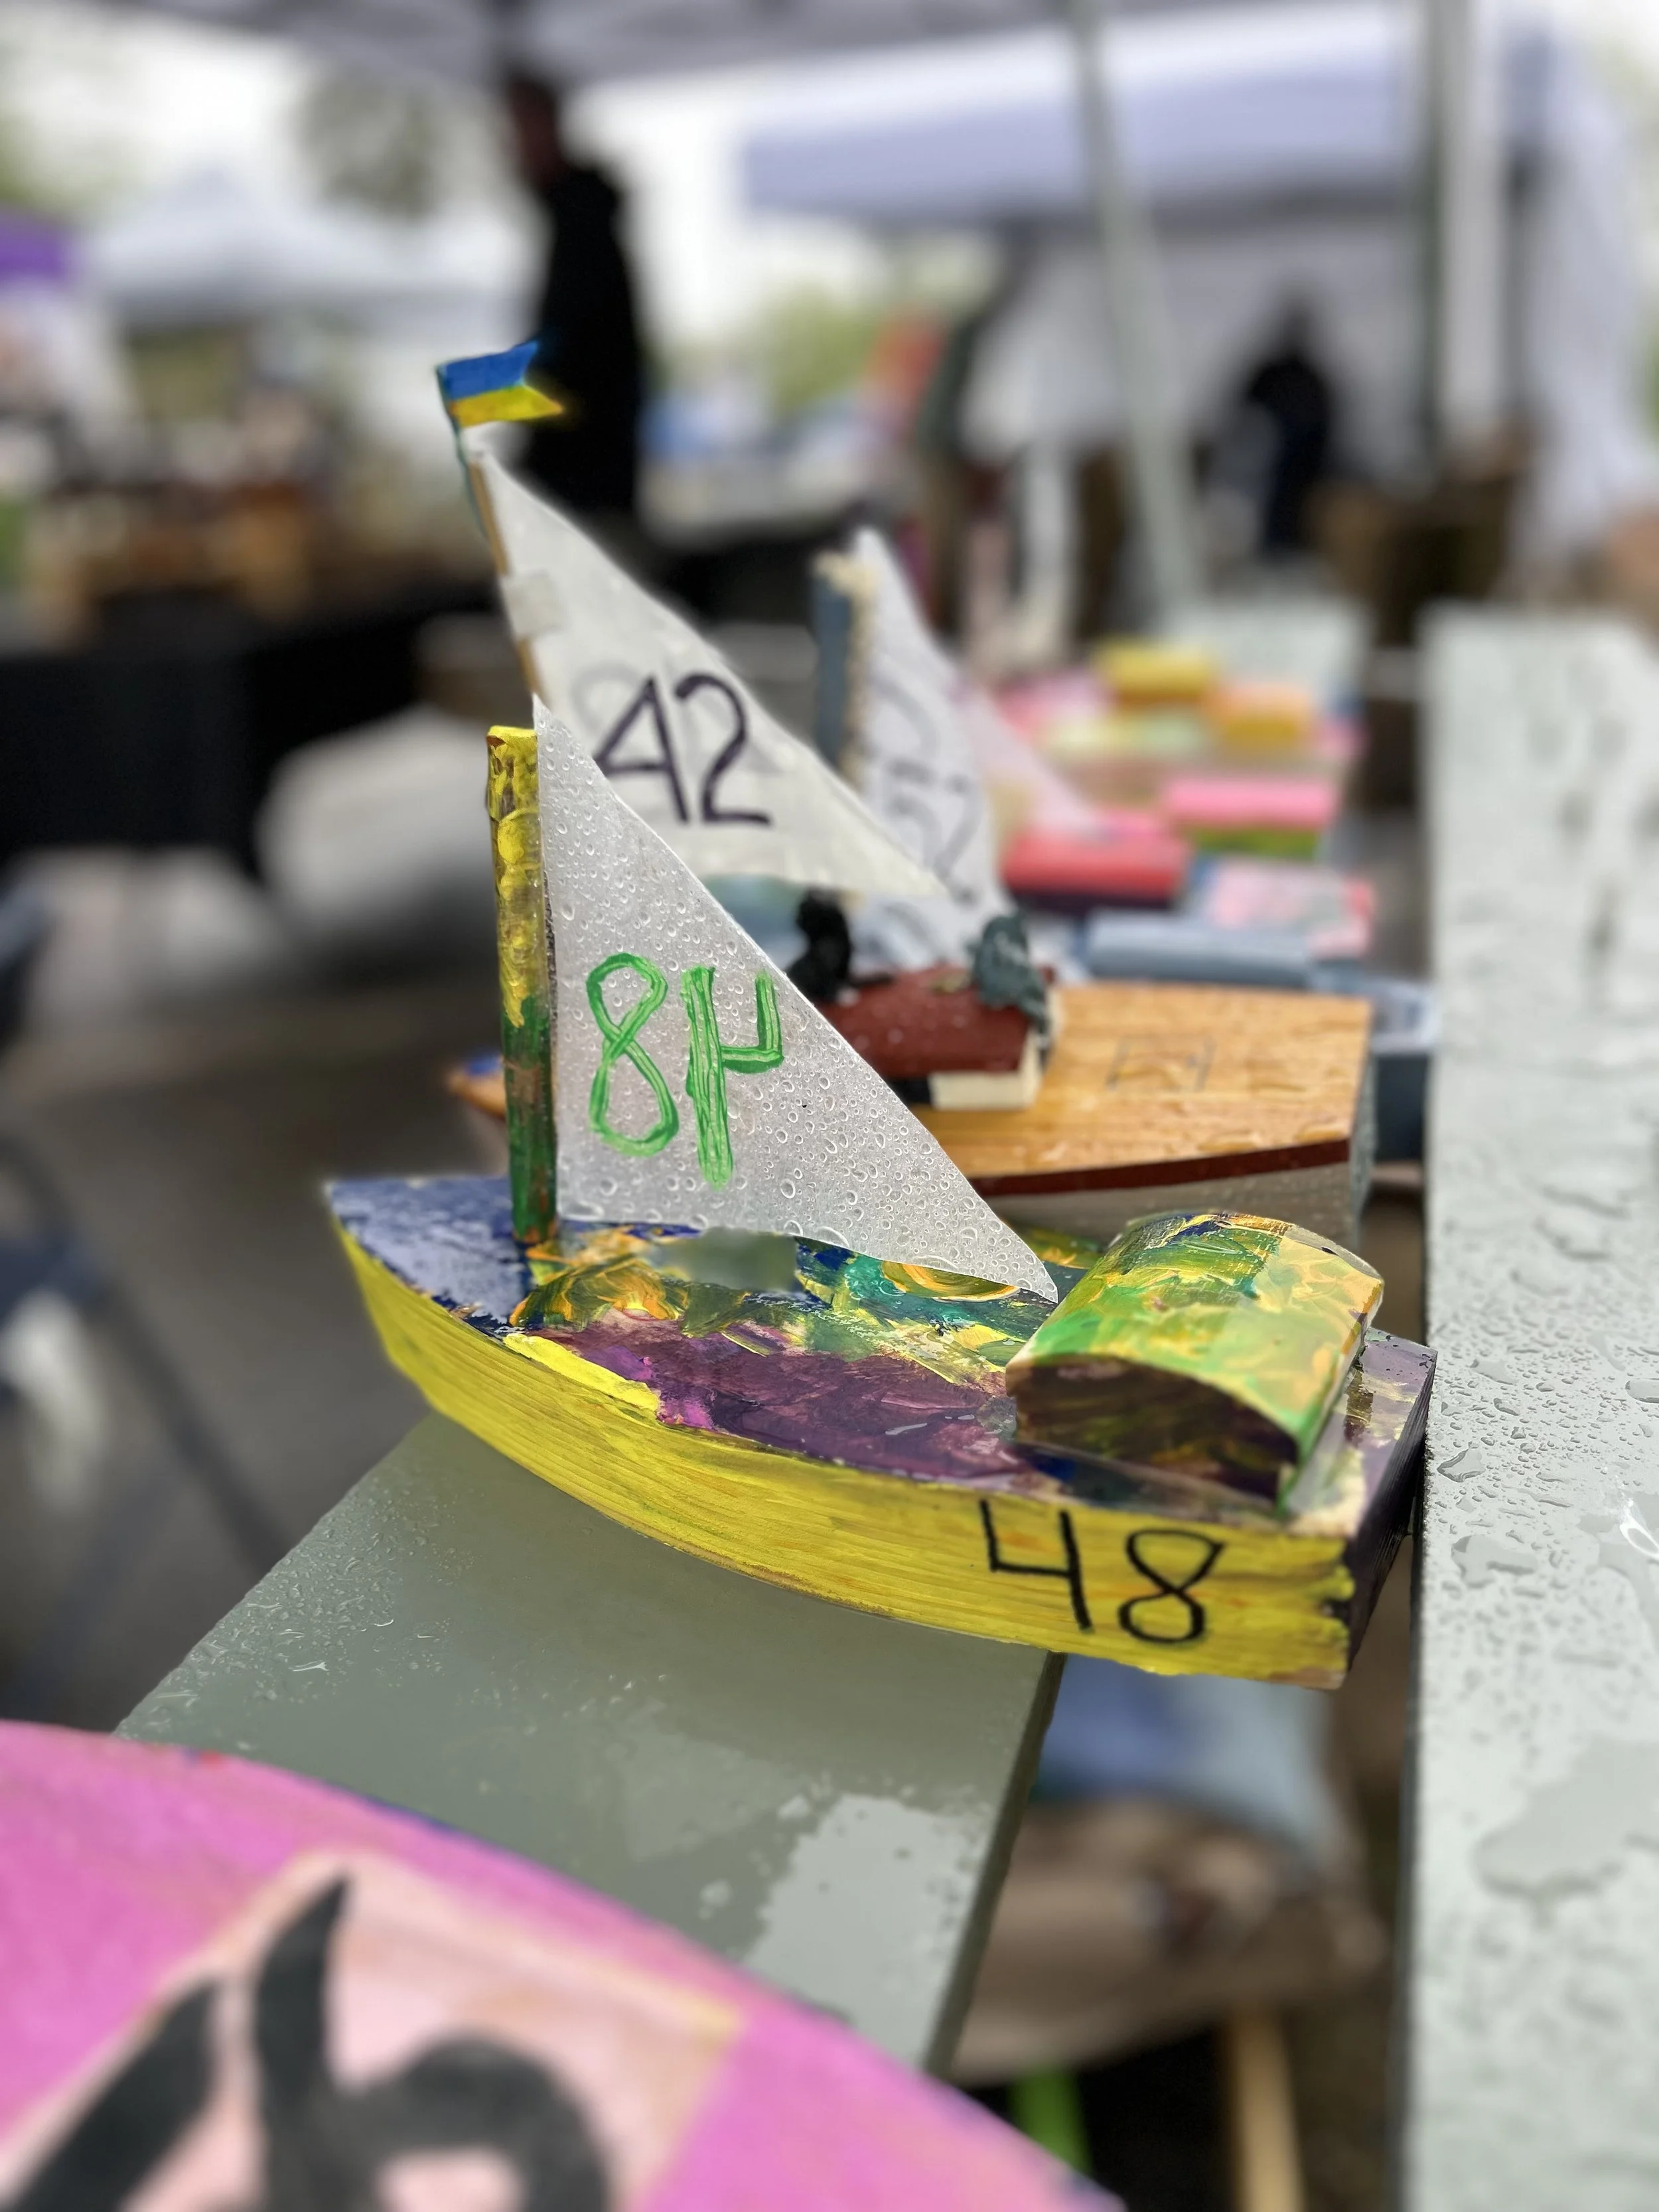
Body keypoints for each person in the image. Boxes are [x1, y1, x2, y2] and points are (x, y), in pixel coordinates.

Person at [502, 71, 644, 527]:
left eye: (517, 129)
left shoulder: (582, 226)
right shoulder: (580, 218)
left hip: (586, 481)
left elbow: (577, 352)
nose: (510, 148)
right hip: (590, 471)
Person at [1235, 299, 1338, 555]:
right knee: (1278, 510)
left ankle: (1294, 550)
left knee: (1301, 512)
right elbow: (1245, 406)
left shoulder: (1311, 376)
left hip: (1307, 465)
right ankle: (1274, 551)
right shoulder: (1276, 373)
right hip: (1277, 463)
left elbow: (1328, 420)